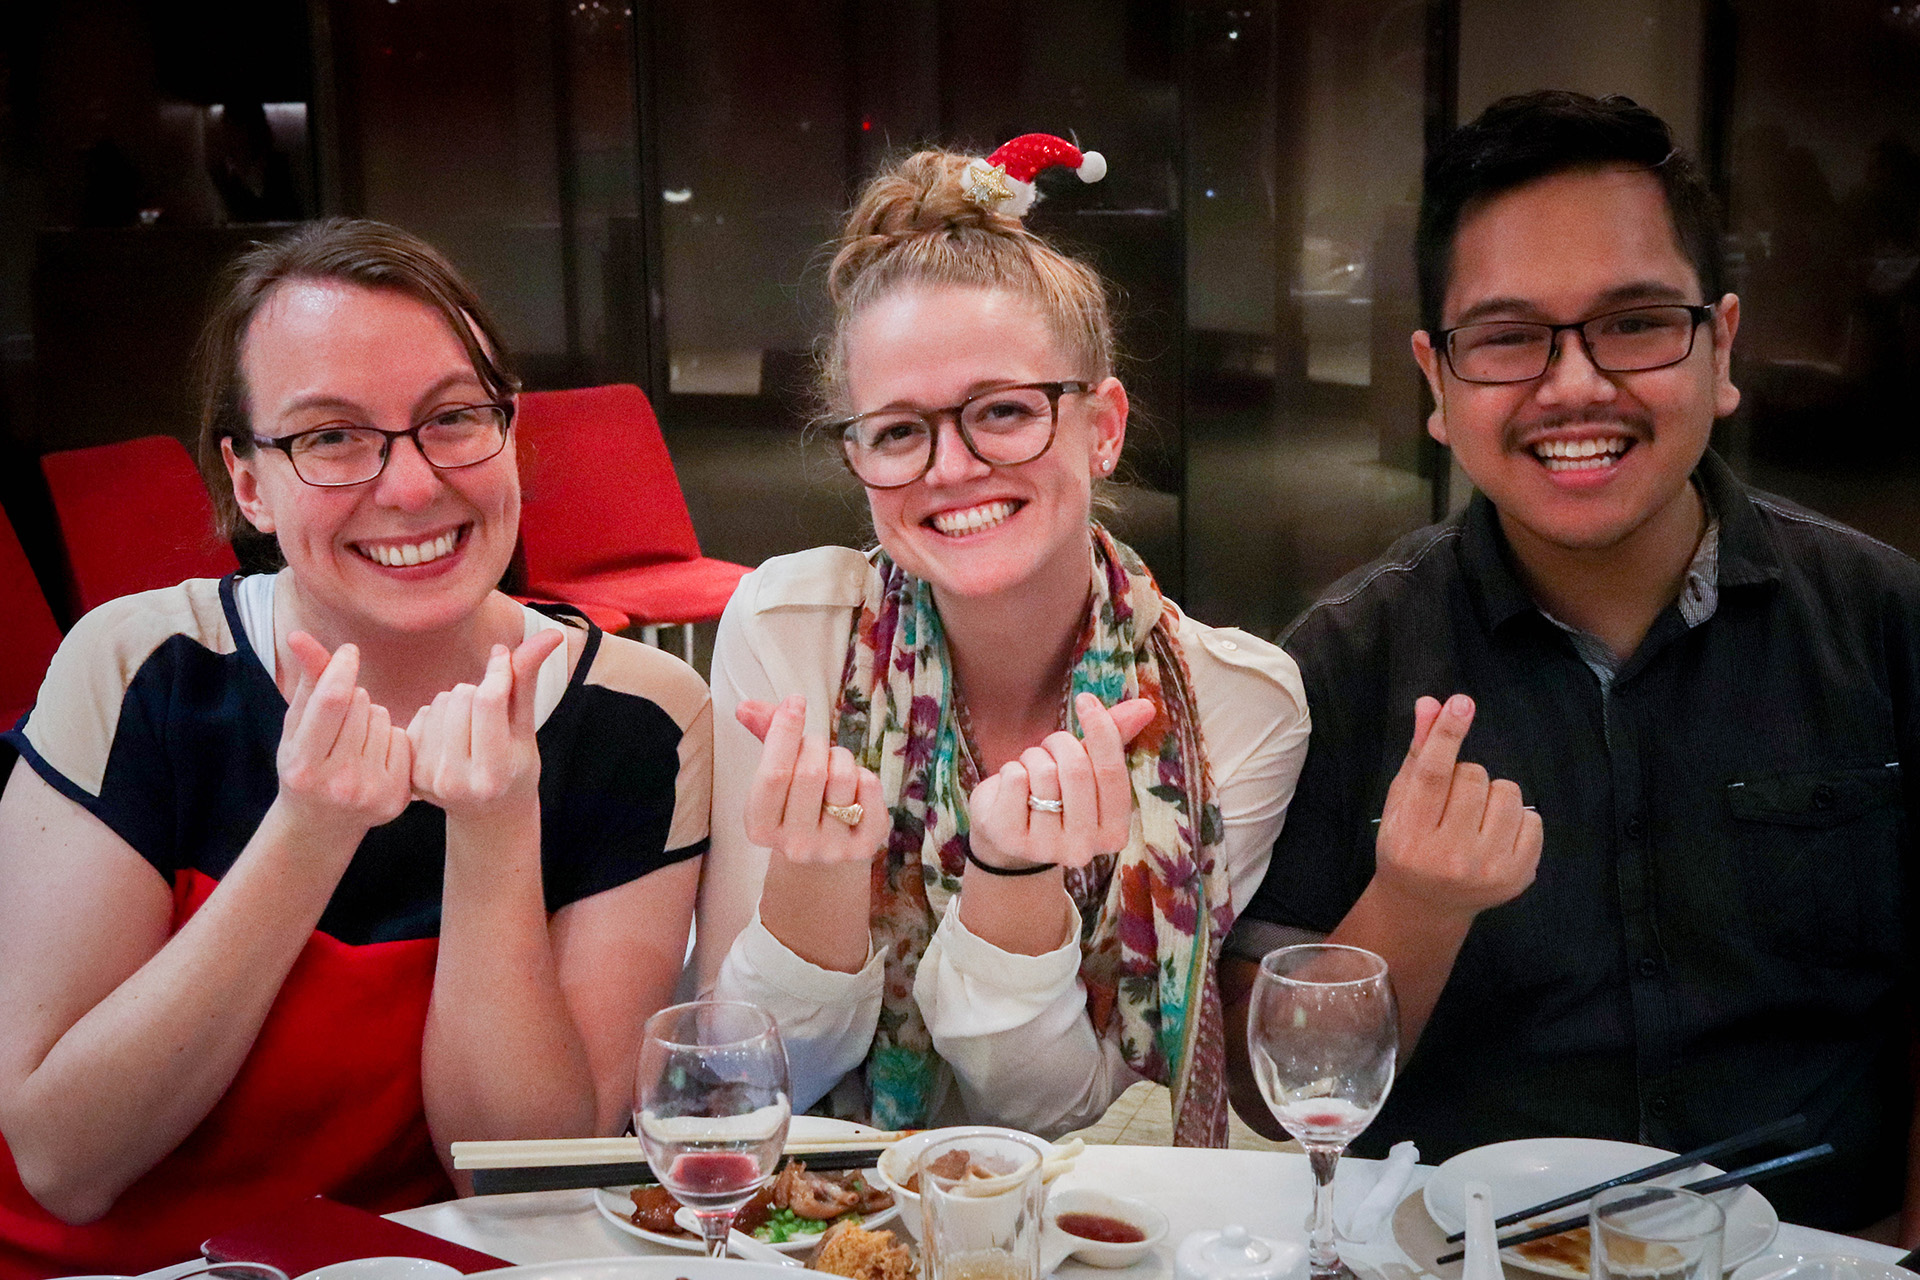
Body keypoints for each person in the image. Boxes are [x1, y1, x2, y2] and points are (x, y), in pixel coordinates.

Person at [1224, 91, 1919, 1238]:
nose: (1577, 385)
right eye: (1508, 338)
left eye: (1636, 322)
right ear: (1436, 384)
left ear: (1723, 345)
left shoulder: (1885, 623)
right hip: (1460, 1257)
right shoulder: (1348, 658)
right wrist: (1415, 905)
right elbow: (1265, 1088)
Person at [0, 218, 712, 1277]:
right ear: (248, 481)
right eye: (330, 436)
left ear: (510, 433)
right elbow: (64, 1158)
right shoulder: (140, 668)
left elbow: (520, 1177)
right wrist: (307, 831)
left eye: (453, 418)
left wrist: (494, 827)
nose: (414, 485)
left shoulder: (642, 717)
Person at [689, 136, 1320, 1144]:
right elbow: (738, 1085)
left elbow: (1079, 1124)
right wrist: (814, 880)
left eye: (1005, 411)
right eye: (898, 430)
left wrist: (1011, 884)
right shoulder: (788, 634)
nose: (952, 466)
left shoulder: (1240, 703)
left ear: (1102, 425)